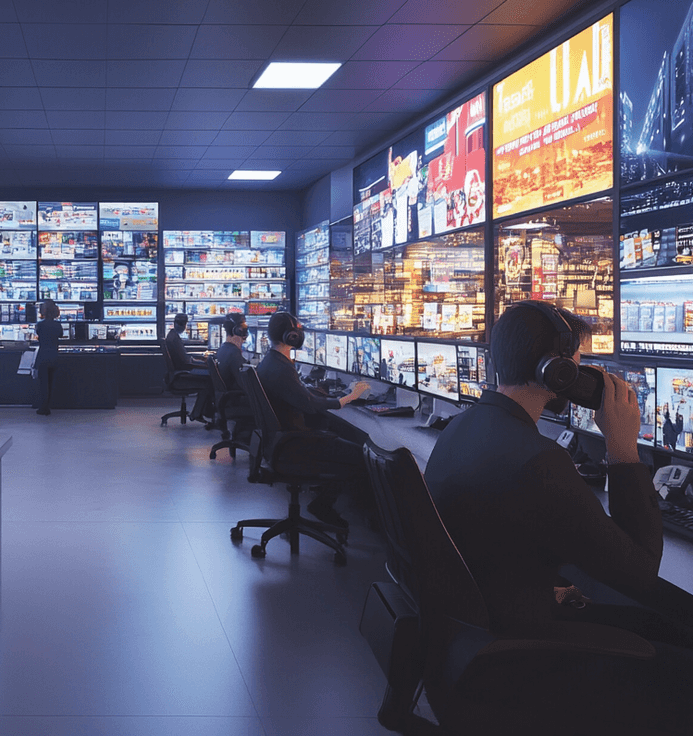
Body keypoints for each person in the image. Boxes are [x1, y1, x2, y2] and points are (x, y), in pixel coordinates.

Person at [425, 300, 693, 732]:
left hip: (477, 628)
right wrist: (623, 451)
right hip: (518, 643)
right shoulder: (538, 461)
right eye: (579, 364)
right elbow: (642, 571)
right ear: (558, 372)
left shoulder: (464, 427)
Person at [255, 311, 370, 528]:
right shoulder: (282, 368)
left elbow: (300, 396)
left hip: (279, 441)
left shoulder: (270, 362)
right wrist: (347, 398)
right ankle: (324, 505)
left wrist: (314, 392)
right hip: (295, 443)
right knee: (361, 455)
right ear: (291, 336)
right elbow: (309, 404)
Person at [165, 313, 213, 421]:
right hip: (183, 373)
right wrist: (203, 363)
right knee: (210, 380)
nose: (182, 326)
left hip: (179, 372)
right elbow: (185, 362)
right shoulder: (175, 339)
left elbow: (184, 358)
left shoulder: (171, 336)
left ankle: (200, 412)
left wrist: (197, 360)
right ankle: (199, 412)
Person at [214, 313, 252, 444]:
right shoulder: (234, 353)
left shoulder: (224, 349)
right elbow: (245, 384)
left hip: (225, 400)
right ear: (238, 330)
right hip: (235, 400)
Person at [34, 299, 62, 415]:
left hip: (43, 356)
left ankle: (43, 408)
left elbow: (39, 337)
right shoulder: (58, 325)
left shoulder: (40, 325)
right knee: (51, 383)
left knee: (43, 384)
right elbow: (60, 335)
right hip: (54, 356)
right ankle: (48, 406)